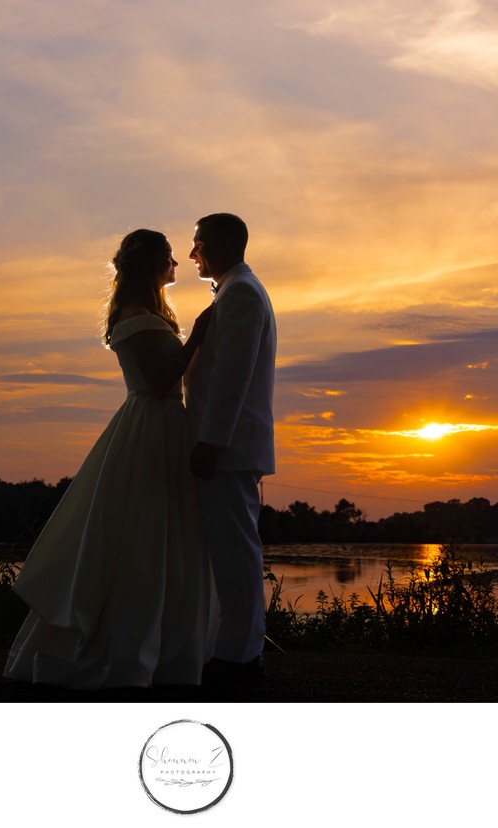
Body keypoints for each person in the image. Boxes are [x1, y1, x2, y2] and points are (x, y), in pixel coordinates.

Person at [3, 229, 217, 689]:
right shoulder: (136, 316)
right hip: (151, 427)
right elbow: (161, 383)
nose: (177, 262)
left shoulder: (145, 312)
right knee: (144, 531)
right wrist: (198, 335)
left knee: (163, 531)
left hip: (160, 427)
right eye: (168, 256)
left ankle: (167, 647)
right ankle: (130, 653)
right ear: (151, 265)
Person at [185, 213, 277, 684]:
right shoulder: (237, 289)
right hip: (229, 448)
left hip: (229, 449)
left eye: (198, 242)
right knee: (231, 551)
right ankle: (235, 649)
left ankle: (241, 658)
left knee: (238, 553)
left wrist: (209, 442)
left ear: (220, 243)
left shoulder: (241, 292)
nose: (191, 253)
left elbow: (232, 377)